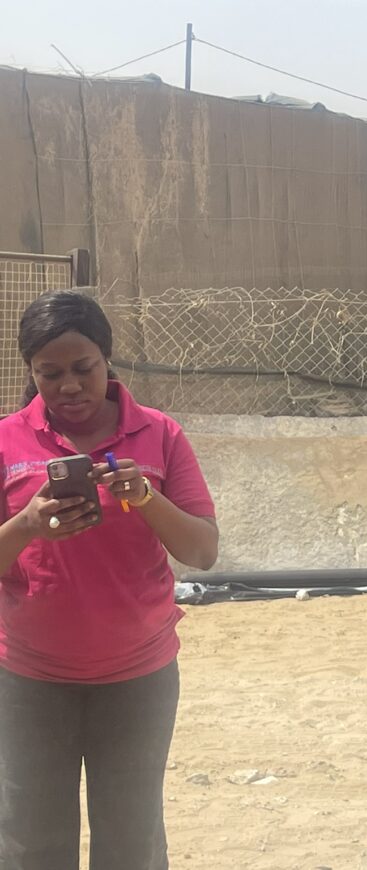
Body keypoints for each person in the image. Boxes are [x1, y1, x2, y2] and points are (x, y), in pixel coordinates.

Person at [0, 289, 219, 869]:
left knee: (131, 839)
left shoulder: (160, 435)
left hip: (138, 679)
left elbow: (201, 550)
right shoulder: (6, 442)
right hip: (28, 680)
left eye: (83, 368)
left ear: (107, 360)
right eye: (50, 374)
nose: (69, 386)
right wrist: (27, 524)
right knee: (29, 841)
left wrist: (145, 498)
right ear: (30, 372)